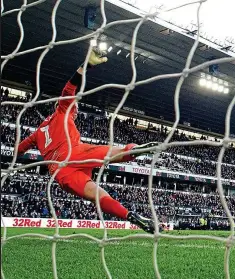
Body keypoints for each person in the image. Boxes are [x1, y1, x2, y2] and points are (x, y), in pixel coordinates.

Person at [16, 48, 162, 233]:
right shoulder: (63, 110)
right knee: (113, 153)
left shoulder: (37, 133)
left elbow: (19, 150)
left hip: (60, 173)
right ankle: (135, 150)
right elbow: (68, 89)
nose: (75, 109)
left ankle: (129, 215)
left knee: (98, 196)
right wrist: (87, 65)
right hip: (73, 152)